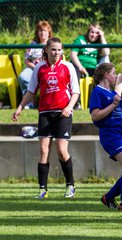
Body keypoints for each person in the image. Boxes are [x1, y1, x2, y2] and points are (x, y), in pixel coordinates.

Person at [12, 37, 80, 199]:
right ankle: (43, 189)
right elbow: (31, 91)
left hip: (63, 113)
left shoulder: (68, 66)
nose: (56, 53)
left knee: (62, 151)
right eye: (53, 49)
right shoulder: (39, 68)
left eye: (59, 49)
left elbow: (75, 92)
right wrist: (20, 108)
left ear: (62, 51)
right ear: (46, 50)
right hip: (45, 113)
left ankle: (70, 185)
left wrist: (68, 108)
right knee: (43, 150)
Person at [89, 62, 122, 211]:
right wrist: (113, 105)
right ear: (105, 75)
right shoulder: (98, 92)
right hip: (110, 133)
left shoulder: (114, 94)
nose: (116, 76)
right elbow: (95, 116)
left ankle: (108, 197)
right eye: (114, 73)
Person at [18, 20, 53, 109]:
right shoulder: (33, 44)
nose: (42, 33)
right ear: (37, 33)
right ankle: (30, 102)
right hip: (33, 68)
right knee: (23, 77)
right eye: (40, 31)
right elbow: (26, 60)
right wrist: (35, 67)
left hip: (48, 68)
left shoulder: (52, 44)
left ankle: (50, 102)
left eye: (44, 30)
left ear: (49, 32)